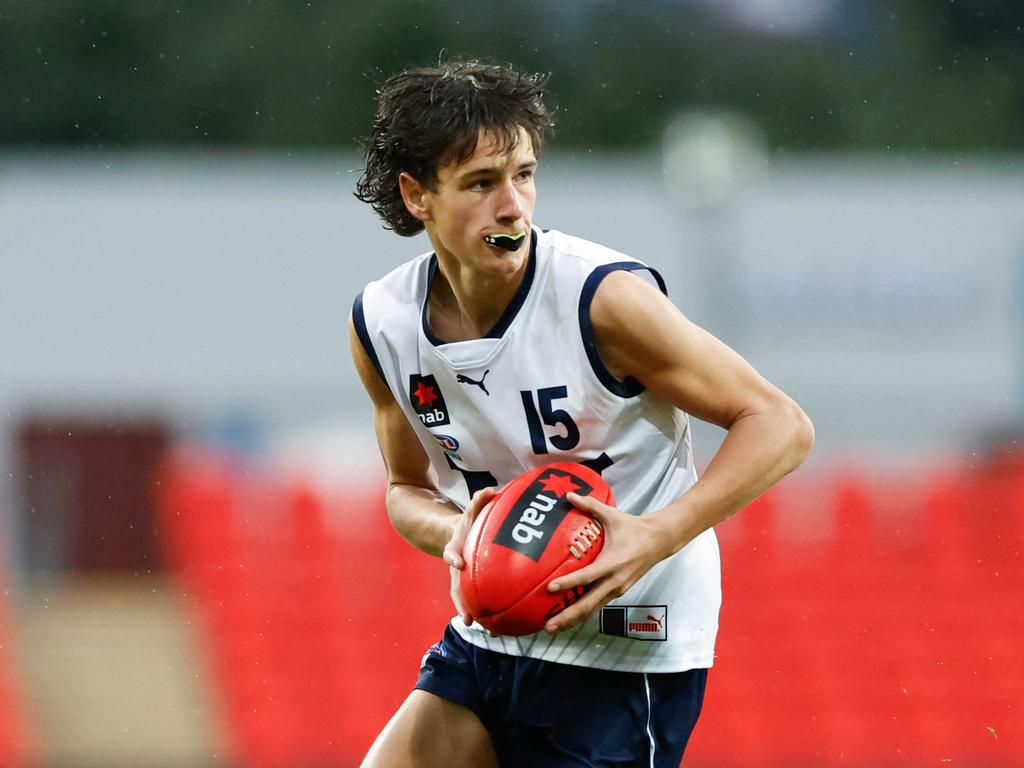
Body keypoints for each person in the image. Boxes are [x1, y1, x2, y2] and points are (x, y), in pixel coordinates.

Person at [349, 58, 814, 768]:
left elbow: (780, 424)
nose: (513, 206)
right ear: (417, 195)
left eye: (524, 175)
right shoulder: (382, 322)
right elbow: (405, 490)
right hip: (493, 632)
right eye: (481, 183)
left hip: (626, 647)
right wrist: (456, 531)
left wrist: (655, 535)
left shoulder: (603, 300)